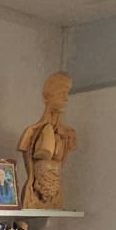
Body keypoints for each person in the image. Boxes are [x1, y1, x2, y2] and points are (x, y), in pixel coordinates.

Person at [18, 71, 79, 209]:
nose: (66, 98)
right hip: (37, 193)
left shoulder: (68, 135)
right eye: (62, 93)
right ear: (48, 96)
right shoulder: (32, 132)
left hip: (54, 195)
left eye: (67, 93)